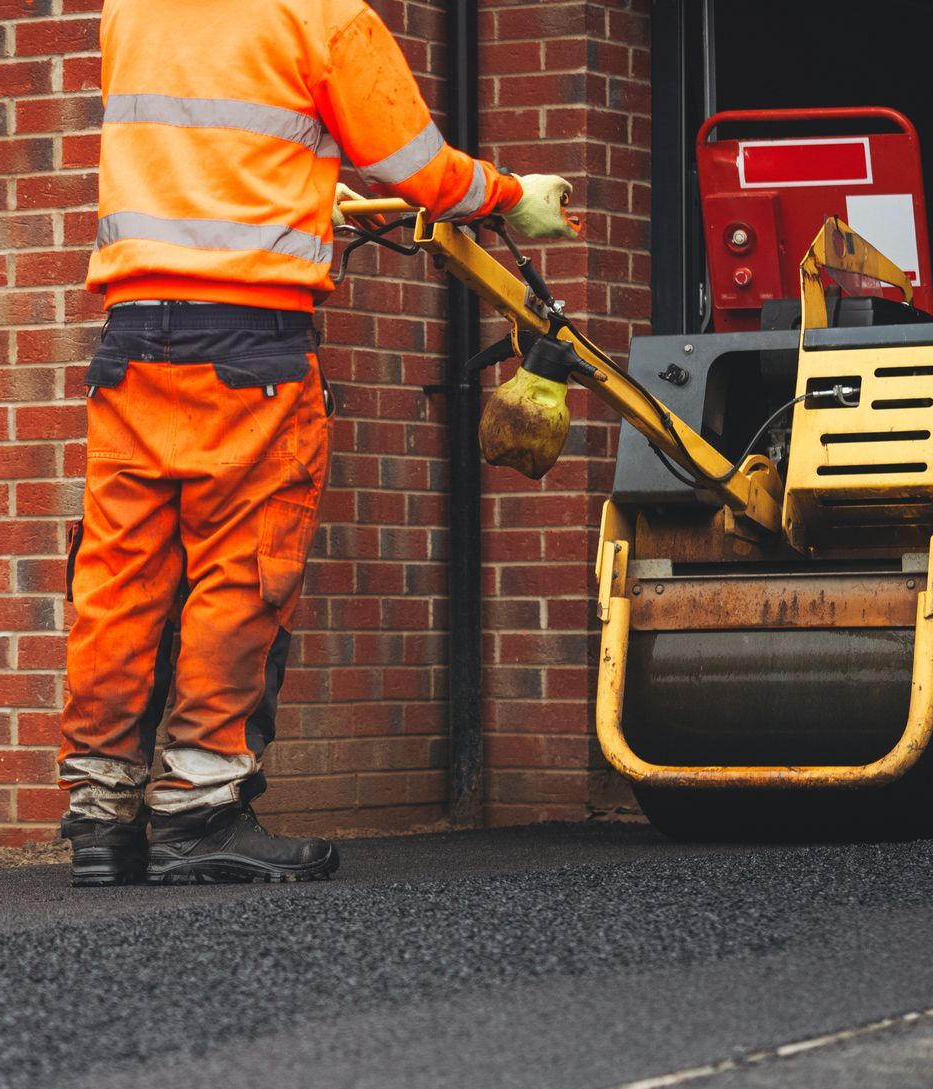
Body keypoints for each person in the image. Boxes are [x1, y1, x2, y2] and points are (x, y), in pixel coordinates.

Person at [59, 0, 580, 888]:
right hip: (249, 348)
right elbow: (414, 165)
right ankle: (198, 814)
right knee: (239, 577)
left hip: (132, 342)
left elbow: (200, 153)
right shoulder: (325, 15)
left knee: (120, 579)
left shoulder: (131, 9)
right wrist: (507, 197)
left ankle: (99, 819)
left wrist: (301, 183)